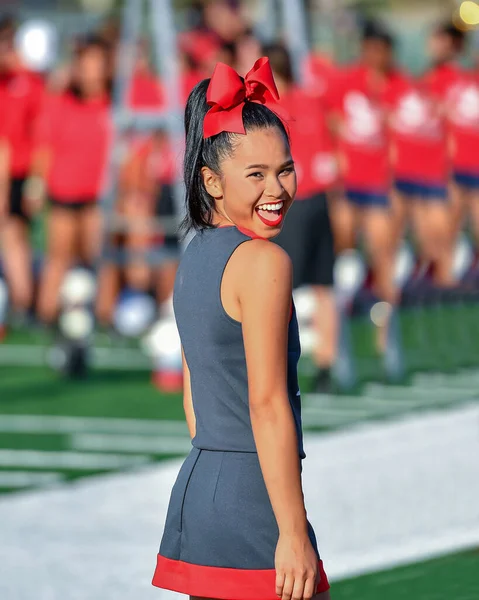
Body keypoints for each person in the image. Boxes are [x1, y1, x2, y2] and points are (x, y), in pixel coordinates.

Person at [152, 58, 330, 600]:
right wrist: (293, 532)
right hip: (255, 500)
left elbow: (193, 399)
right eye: (255, 174)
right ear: (211, 181)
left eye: (285, 168)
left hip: (201, 491)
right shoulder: (263, 263)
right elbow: (268, 404)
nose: (276, 188)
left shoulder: (195, 254)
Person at [264, 43, 338, 393]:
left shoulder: (270, 109)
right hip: (319, 198)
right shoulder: (310, 100)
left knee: (282, 288)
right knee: (323, 287)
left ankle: (282, 364)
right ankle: (326, 364)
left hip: (292, 202)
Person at [32, 34, 113, 325]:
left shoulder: (112, 104)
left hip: (98, 196)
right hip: (63, 192)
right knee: (58, 258)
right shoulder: (62, 101)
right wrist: (36, 184)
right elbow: (45, 146)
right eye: (85, 63)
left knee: (101, 257)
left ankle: (103, 318)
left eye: (96, 63)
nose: (90, 70)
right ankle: (45, 316)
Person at [0, 14, 44, 324]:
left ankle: (22, 304)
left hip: (15, 173)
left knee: (14, 237)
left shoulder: (27, 82)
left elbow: (41, 135)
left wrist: (35, 181)